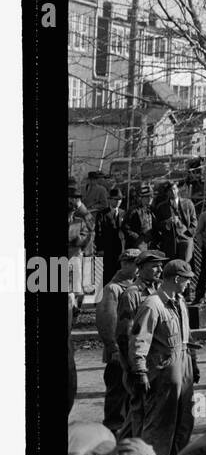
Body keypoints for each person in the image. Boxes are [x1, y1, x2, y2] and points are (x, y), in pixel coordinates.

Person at [127, 258, 199, 455]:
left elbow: (187, 336)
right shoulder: (153, 304)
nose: (188, 284)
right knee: (160, 423)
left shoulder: (180, 301)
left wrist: (193, 363)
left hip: (183, 363)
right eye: (186, 280)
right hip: (164, 367)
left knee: (185, 419)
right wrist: (140, 370)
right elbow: (139, 340)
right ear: (176, 279)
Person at [115, 249, 166, 438]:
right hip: (139, 363)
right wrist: (133, 368)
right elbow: (123, 335)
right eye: (155, 266)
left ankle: (122, 449)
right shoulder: (131, 295)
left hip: (155, 361)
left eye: (161, 266)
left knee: (143, 411)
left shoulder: (159, 290)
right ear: (141, 268)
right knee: (139, 412)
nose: (159, 270)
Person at [96, 247, 140, 435]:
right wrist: (113, 348)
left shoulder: (135, 285)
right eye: (137, 264)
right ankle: (112, 430)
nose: (139, 268)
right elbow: (106, 320)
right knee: (117, 392)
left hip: (132, 349)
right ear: (125, 264)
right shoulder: (113, 288)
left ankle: (127, 429)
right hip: (118, 351)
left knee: (130, 391)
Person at [151, 180, 197, 263]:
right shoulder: (161, 207)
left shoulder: (188, 203)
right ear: (167, 193)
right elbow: (157, 225)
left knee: (185, 266)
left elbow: (194, 221)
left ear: (178, 189)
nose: (173, 191)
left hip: (185, 240)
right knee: (171, 266)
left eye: (174, 189)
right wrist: (167, 223)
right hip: (170, 242)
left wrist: (188, 235)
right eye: (170, 190)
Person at [68, 183, 95, 319]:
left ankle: (76, 308)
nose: (73, 200)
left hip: (84, 250)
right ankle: (73, 309)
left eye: (76, 198)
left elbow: (91, 225)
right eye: (72, 198)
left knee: (81, 286)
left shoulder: (83, 211)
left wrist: (81, 207)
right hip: (72, 253)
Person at [96, 187, 128, 285]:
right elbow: (98, 232)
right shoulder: (102, 214)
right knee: (107, 274)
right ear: (110, 199)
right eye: (116, 199)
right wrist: (100, 248)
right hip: (107, 249)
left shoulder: (124, 213)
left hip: (120, 249)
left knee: (119, 274)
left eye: (120, 199)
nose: (118, 201)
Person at [124, 187, 153, 251]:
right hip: (137, 245)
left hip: (149, 244)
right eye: (147, 196)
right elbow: (125, 227)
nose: (150, 198)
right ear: (142, 198)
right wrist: (137, 238)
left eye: (151, 196)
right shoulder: (133, 211)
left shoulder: (152, 210)